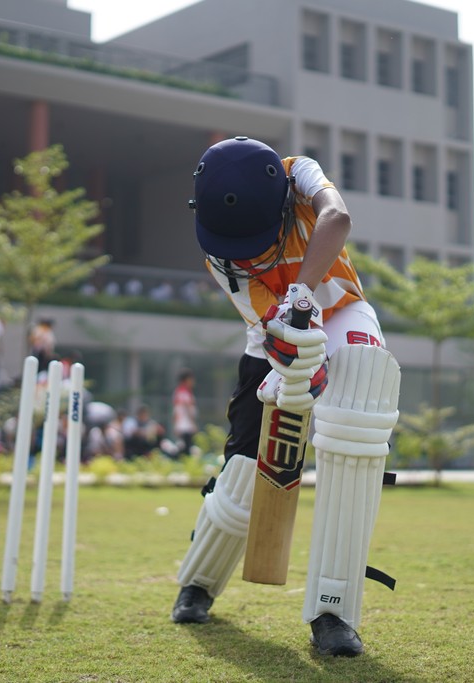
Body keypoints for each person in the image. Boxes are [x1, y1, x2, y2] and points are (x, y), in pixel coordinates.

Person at [170, 136, 402, 658]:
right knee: (246, 469)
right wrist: (293, 370)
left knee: (360, 405)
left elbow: (337, 217)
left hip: (340, 308)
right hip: (271, 332)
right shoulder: (218, 248)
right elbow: (281, 331)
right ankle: (199, 581)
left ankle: (334, 611)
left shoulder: (298, 175)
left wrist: (302, 288)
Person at [171, 368, 198, 455]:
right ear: (187, 380)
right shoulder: (184, 392)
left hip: (181, 424)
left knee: (183, 447)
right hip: (186, 425)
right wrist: (193, 423)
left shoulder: (178, 391)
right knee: (187, 449)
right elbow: (187, 408)